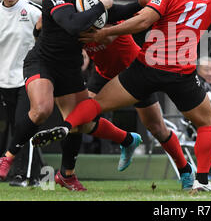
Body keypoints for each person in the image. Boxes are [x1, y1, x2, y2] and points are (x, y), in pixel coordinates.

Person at [31, 0, 211, 192]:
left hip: (139, 65)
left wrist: (107, 31)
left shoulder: (101, 6)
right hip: (135, 70)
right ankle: (75, 159)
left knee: (153, 125)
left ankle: (184, 169)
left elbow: (140, 20)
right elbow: (68, 25)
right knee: (83, 114)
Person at [0, 0, 154, 191]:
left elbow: (110, 15)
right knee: (42, 110)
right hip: (43, 62)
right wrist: (102, 6)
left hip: (69, 67)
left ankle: (69, 173)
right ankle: (8, 157)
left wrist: (137, 3)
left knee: (80, 123)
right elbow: (72, 24)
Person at [83, 26, 195, 189]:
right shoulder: (73, 18)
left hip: (134, 73)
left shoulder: (110, 14)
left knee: (157, 128)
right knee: (82, 119)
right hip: (103, 74)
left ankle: (185, 170)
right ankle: (127, 140)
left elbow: (106, 37)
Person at [0, 0, 43, 187]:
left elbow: (50, 38)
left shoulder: (33, 10)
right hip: (5, 82)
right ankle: (38, 174)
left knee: (22, 125)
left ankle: (23, 176)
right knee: (20, 130)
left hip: (30, 79)